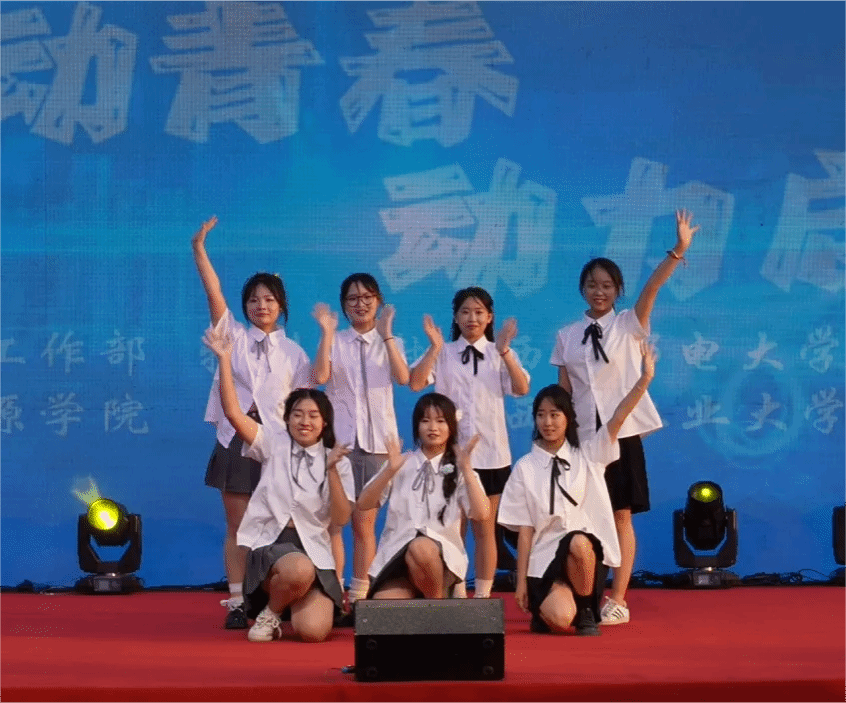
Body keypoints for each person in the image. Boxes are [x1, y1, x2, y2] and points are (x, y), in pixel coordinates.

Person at [550, 209, 698, 625]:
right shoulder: (566, 336)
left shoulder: (630, 324)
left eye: (607, 286)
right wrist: (558, 438)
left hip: (622, 433)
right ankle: (583, 591)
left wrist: (678, 250)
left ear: (618, 291)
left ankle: (617, 598)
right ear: (582, 289)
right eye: (592, 285)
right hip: (582, 437)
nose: (599, 292)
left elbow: (653, 287)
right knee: (580, 516)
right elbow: (564, 393)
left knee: (620, 514)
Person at [192, 216, 311, 629]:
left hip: (277, 445)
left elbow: (303, 407)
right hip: (236, 438)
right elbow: (213, 291)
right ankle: (238, 601)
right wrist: (199, 248)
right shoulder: (234, 338)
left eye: (270, 300)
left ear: (282, 307)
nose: (262, 306)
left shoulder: (295, 353)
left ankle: (278, 595)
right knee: (238, 525)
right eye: (254, 300)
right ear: (245, 307)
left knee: (280, 523)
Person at [203, 326, 354, 642]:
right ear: (287, 419)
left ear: (324, 422)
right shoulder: (272, 443)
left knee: (313, 632)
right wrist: (225, 360)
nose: (305, 421)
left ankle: (289, 601)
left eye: (313, 415)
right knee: (297, 570)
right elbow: (233, 413)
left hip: (315, 549)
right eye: (297, 414)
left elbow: (340, 520)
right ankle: (270, 612)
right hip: (273, 545)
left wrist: (331, 472)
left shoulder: (336, 458)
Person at [498, 343, 656, 636]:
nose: (548, 422)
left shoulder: (589, 455)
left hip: (583, 558)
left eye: (555, 414)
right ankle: (550, 606)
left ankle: (585, 610)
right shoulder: (525, 467)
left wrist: (644, 380)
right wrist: (520, 583)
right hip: (543, 560)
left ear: (568, 418)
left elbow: (618, 418)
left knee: (580, 542)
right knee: (559, 620)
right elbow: (525, 531)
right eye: (541, 415)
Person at [409, 287, 530, 598]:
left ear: (489, 317)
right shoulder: (445, 352)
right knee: (452, 526)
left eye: (478, 312)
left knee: (485, 528)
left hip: (491, 455)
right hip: (449, 455)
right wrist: (434, 347)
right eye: (465, 312)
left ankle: (484, 595)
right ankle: (458, 591)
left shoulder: (499, 352)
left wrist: (505, 351)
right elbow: (416, 382)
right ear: (455, 317)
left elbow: (521, 388)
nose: (471, 318)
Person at [311, 273, 409, 607]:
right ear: (344, 306)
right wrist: (326, 333)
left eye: (367, 297)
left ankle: (360, 595)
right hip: (341, 446)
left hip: (379, 445)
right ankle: (332, 593)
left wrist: (387, 334)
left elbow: (403, 378)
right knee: (335, 523)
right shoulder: (336, 340)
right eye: (353, 299)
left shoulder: (390, 341)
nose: (361, 304)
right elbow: (319, 376)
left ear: (378, 301)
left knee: (364, 525)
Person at [358, 393, 490, 599]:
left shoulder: (460, 468)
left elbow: (482, 514)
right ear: (416, 426)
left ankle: (437, 604)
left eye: (440, 421)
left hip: (441, 559)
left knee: (421, 547)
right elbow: (364, 503)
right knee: (383, 605)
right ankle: (431, 604)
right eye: (426, 420)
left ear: (451, 427)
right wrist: (389, 470)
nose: (433, 427)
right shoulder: (401, 463)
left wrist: (466, 470)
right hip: (397, 557)